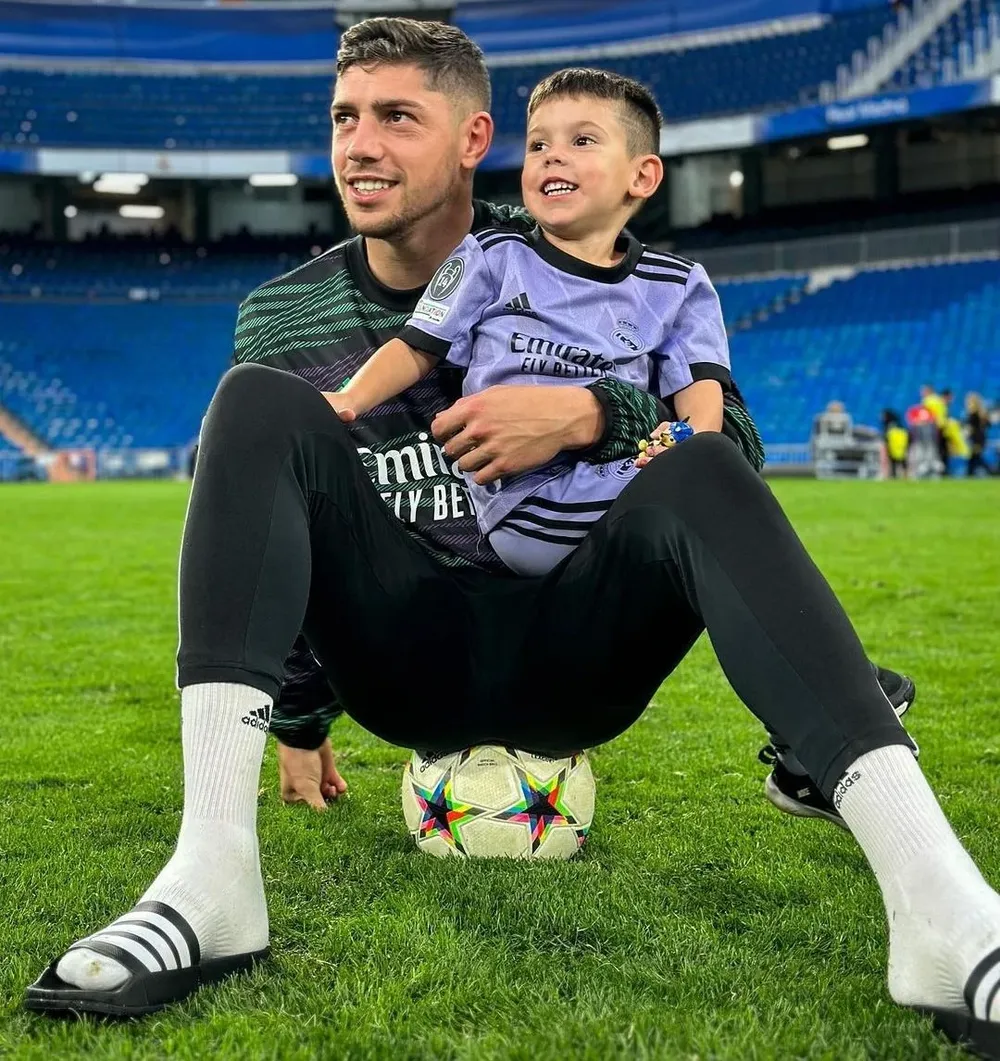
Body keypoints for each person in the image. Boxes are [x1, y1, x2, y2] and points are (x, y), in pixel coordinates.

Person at [26, 21, 999, 1059]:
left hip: (579, 638)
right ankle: (210, 877)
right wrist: (300, 719)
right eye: (345, 117)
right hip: (405, 653)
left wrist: (589, 415)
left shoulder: (566, 247)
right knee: (254, 402)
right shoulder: (283, 312)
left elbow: (732, 455)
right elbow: (284, 514)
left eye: (397, 117)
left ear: (472, 140)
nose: (360, 145)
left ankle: (945, 911)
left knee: (703, 467)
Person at [327, 68, 723, 576]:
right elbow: (416, 345)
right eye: (538, 145)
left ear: (641, 176)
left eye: (582, 140)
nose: (552, 156)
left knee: (716, 494)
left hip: (623, 472)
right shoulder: (492, 255)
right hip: (528, 501)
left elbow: (699, 388)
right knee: (708, 516)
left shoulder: (678, 283)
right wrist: (349, 398)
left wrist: (694, 448)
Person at [966, 392, 995, 477]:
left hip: (976, 439)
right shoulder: (982, 413)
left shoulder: (973, 414)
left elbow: (970, 427)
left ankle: (991, 471)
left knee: (975, 457)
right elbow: (989, 424)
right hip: (981, 438)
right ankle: (971, 473)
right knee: (975, 457)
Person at [881, 409, 909, 478]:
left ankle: (892, 476)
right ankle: (904, 476)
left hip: (894, 447)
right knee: (902, 463)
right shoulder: (901, 426)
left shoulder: (888, 427)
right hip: (901, 447)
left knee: (893, 463)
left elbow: (886, 438)